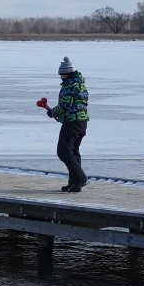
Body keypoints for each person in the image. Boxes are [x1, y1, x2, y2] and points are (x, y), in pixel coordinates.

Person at [46, 57, 90, 192]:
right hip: (82, 122)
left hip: (72, 122)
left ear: (67, 73)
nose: (60, 77)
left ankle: (81, 178)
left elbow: (64, 105)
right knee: (74, 152)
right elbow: (77, 104)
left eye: (61, 74)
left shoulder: (69, 85)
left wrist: (52, 112)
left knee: (63, 152)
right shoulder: (80, 84)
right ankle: (74, 184)